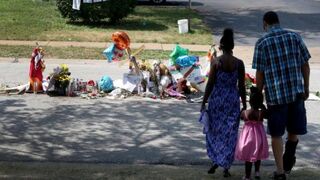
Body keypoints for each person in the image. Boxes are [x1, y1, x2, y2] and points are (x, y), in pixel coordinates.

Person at [252, 11, 311, 180]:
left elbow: (260, 73)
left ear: (265, 24)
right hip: (296, 92)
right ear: (278, 22)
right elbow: (305, 65)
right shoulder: (295, 37)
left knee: (277, 134)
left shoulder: (262, 42)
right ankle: (288, 161)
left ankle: (280, 171)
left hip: (276, 96)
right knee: (294, 130)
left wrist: (258, 94)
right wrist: (306, 87)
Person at [200, 28, 246, 177]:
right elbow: (242, 86)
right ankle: (226, 166)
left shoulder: (216, 62)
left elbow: (210, 84)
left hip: (217, 100)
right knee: (230, 133)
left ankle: (215, 160)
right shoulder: (239, 63)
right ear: (232, 47)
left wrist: (204, 102)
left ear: (221, 46)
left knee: (215, 131)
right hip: (232, 100)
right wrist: (244, 105)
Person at [235, 87, 269, 180]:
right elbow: (268, 115)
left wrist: (243, 109)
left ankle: (247, 176)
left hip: (247, 138)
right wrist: (263, 107)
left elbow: (240, 117)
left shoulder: (245, 113)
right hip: (259, 137)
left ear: (250, 101)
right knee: (258, 155)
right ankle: (257, 172)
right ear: (261, 102)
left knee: (248, 158)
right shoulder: (261, 113)